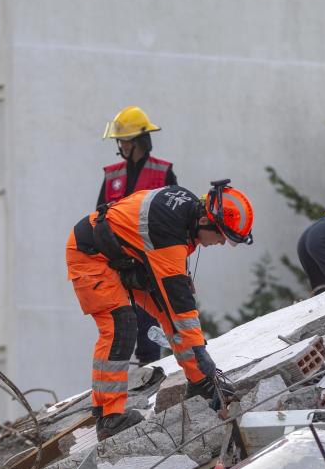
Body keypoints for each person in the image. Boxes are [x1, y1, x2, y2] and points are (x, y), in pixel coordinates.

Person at [66, 179, 254, 439]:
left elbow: (174, 308)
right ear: (204, 221)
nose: (221, 243)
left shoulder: (185, 217)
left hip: (127, 257)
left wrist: (204, 375)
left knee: (169, 313)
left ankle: (198, 383)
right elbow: (181, 310)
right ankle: (109, 418)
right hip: (91, 255)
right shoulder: (169, 232)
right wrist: (203, 360)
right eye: (222, 236)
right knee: (120, 326)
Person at [98, 105, 178, 367]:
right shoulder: (112, 175)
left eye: (123, 140)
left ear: (138, 141)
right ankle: (126, 372)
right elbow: (99, 216)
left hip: (149, 257)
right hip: (118, 258)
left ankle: (151, 367)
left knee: (149, 316)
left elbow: (175, 215)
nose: (120, 145)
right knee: (120, 319)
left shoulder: (163, 172)